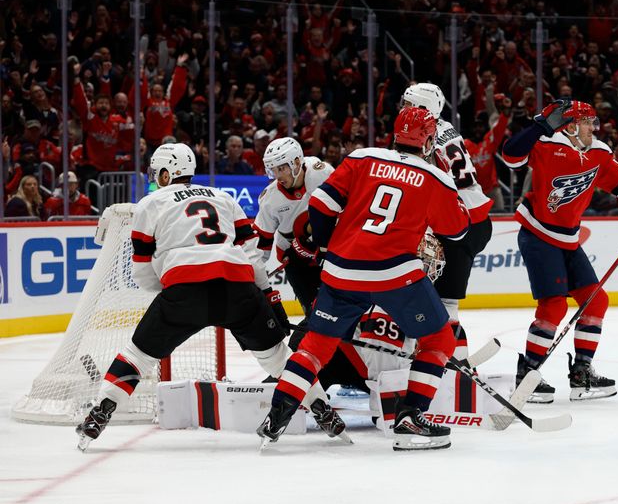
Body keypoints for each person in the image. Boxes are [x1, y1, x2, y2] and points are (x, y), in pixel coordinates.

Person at [75, 143, 345, 450]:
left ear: (165, 174)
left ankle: (99, 414)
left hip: (184, 290)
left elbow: (141, 273)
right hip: (238, 288)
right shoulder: (223, 197)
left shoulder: (150, 203)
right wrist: (267, 297)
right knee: (280, 358)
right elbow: (251, 254)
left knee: (137, 356)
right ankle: (325, 412)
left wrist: (172, 292)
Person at [257, 107, 470, 451]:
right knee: (439, 341)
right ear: (429, 139)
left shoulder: (362, 157)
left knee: (315, 345)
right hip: (396, 274)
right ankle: (410, 417)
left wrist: (327, 245)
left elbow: (322, 206)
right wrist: (447, 184)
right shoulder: (434, 177)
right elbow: (458, 232)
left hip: (341, 270)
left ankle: (278, 413)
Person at [501, 99, 618, 402]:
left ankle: (582, 373)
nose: (595, 126)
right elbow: (510, 155)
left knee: (595, 301)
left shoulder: (599, 152)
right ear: (572, 125)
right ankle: (527, 375)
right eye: (589, 121)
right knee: (554, 307)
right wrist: (539, 126)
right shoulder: (546, 145)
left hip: (568, 239)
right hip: (538, 234)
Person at [402, 83, 493, 363]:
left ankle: (455, 365)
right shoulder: (447, 128)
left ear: (421, 108)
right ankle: (453, 362)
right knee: (444, 300)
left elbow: (426, 185)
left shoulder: (424, 135)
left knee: (434, 301)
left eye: (408, 104)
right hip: (478, 220)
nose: (403, 110)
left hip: (456, 224)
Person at [253, 137, 334, 325]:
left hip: (329, 253)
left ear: (297, 163)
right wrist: (254, 278)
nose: (278, 175)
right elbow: (260, 246)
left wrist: (316, 241)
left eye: (281, 168)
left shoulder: (320, 173)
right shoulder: (270, 199)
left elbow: (342, 212)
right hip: (296, 262)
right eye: (273, 170)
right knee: (315, 316)